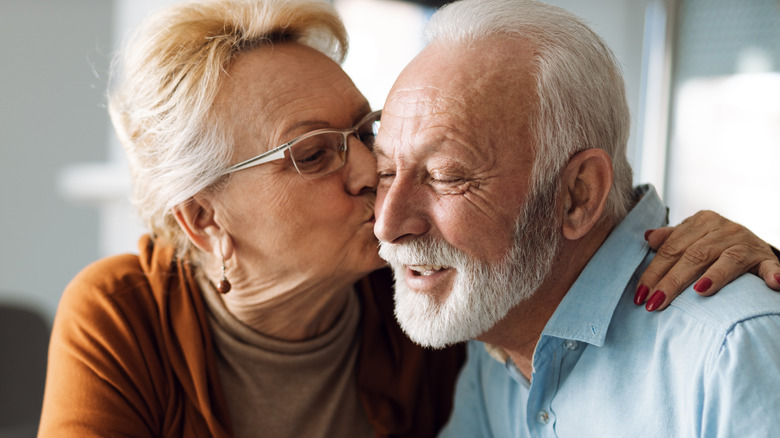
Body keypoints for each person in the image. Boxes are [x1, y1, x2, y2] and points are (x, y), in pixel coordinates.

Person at [38, 0, 779, 437]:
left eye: (365, 135)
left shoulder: (435, 306)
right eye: (314, 154)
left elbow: (560, 260)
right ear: (203, 220)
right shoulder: (126, 314)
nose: (375, 190)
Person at [372, 0, 780, 436]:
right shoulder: (490, 321)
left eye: (446, 176)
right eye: (385, 172)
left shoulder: (732, 351)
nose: (387, 224)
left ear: (577, 196)